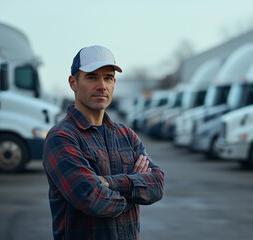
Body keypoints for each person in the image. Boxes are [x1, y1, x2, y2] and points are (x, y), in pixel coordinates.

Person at [42, 45, 164, 240]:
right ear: (73, 83)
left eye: (108, 78)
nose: (102, 85)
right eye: (92, 77)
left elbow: (157, 184)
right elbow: (92, 199)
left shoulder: (126, 135)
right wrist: (134, 189)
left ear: (114, 83)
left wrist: (108, 182)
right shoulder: (61, 137)